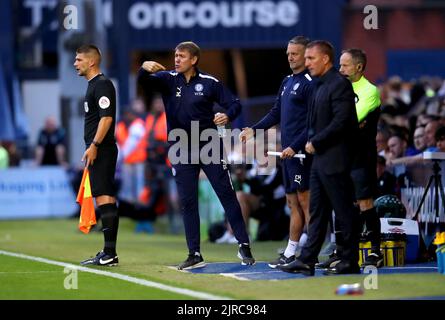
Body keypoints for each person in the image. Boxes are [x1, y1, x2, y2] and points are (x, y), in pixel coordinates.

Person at [138, 41, 254, 270]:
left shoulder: (210, 83)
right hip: (180, 145)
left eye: (181, 56)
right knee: (187, 201)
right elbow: (143, 83)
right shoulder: (168, 79)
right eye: (175, 55)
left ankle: (243, 244)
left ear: (194, 60)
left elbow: (235, 103)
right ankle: (194, 253)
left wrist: (227, 115)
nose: (176, 59)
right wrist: (143, 67)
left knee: (226, 194)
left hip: (208, 144)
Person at [279, 40, 360, 275]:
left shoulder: (339, 84)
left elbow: (342, 121)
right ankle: (307, 259)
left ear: (325, 59)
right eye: (306, 59)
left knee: (343, 211)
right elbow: (313, 122)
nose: (307, 63)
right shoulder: (318, 85)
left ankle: (348, 261)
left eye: (310, 58)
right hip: (319, 160)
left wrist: (316, 141)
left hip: (336, 158)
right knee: (317, 210)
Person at [239, 36, 313, 268]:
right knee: (293, 202)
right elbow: (275, 112)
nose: (290, 57)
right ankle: (292, 251)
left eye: (295, 53)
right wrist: (254, 129)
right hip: (287, 154)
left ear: (306, 55)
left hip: (301, 154)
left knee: (305, 201)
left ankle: (311, 250)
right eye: (288, 53)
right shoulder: (287, 81)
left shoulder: (311, 83)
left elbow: (313, 122)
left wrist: (296, 146)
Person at [74, 44, 120, 266]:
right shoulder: (93, 86)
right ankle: (109, 252)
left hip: (102, 149)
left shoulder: (102, 85)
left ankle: (109, 253)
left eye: (79, 60)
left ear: (91, 62)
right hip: (101, 149)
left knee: (103, 196)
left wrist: (94, 145)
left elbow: (107, 118)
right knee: (105, 196)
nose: (75, 64)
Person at [336, 48, 382, 267]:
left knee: (365, 202)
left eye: (345, 65)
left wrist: (347, 124)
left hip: (361, 155)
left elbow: (352, 119)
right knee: (341, 203)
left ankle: (375, 251)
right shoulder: (337, 88)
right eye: (340, 64)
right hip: (340, 155)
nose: (340, 69)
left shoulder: (370, 90)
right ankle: (343, 251)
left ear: (359, 67)